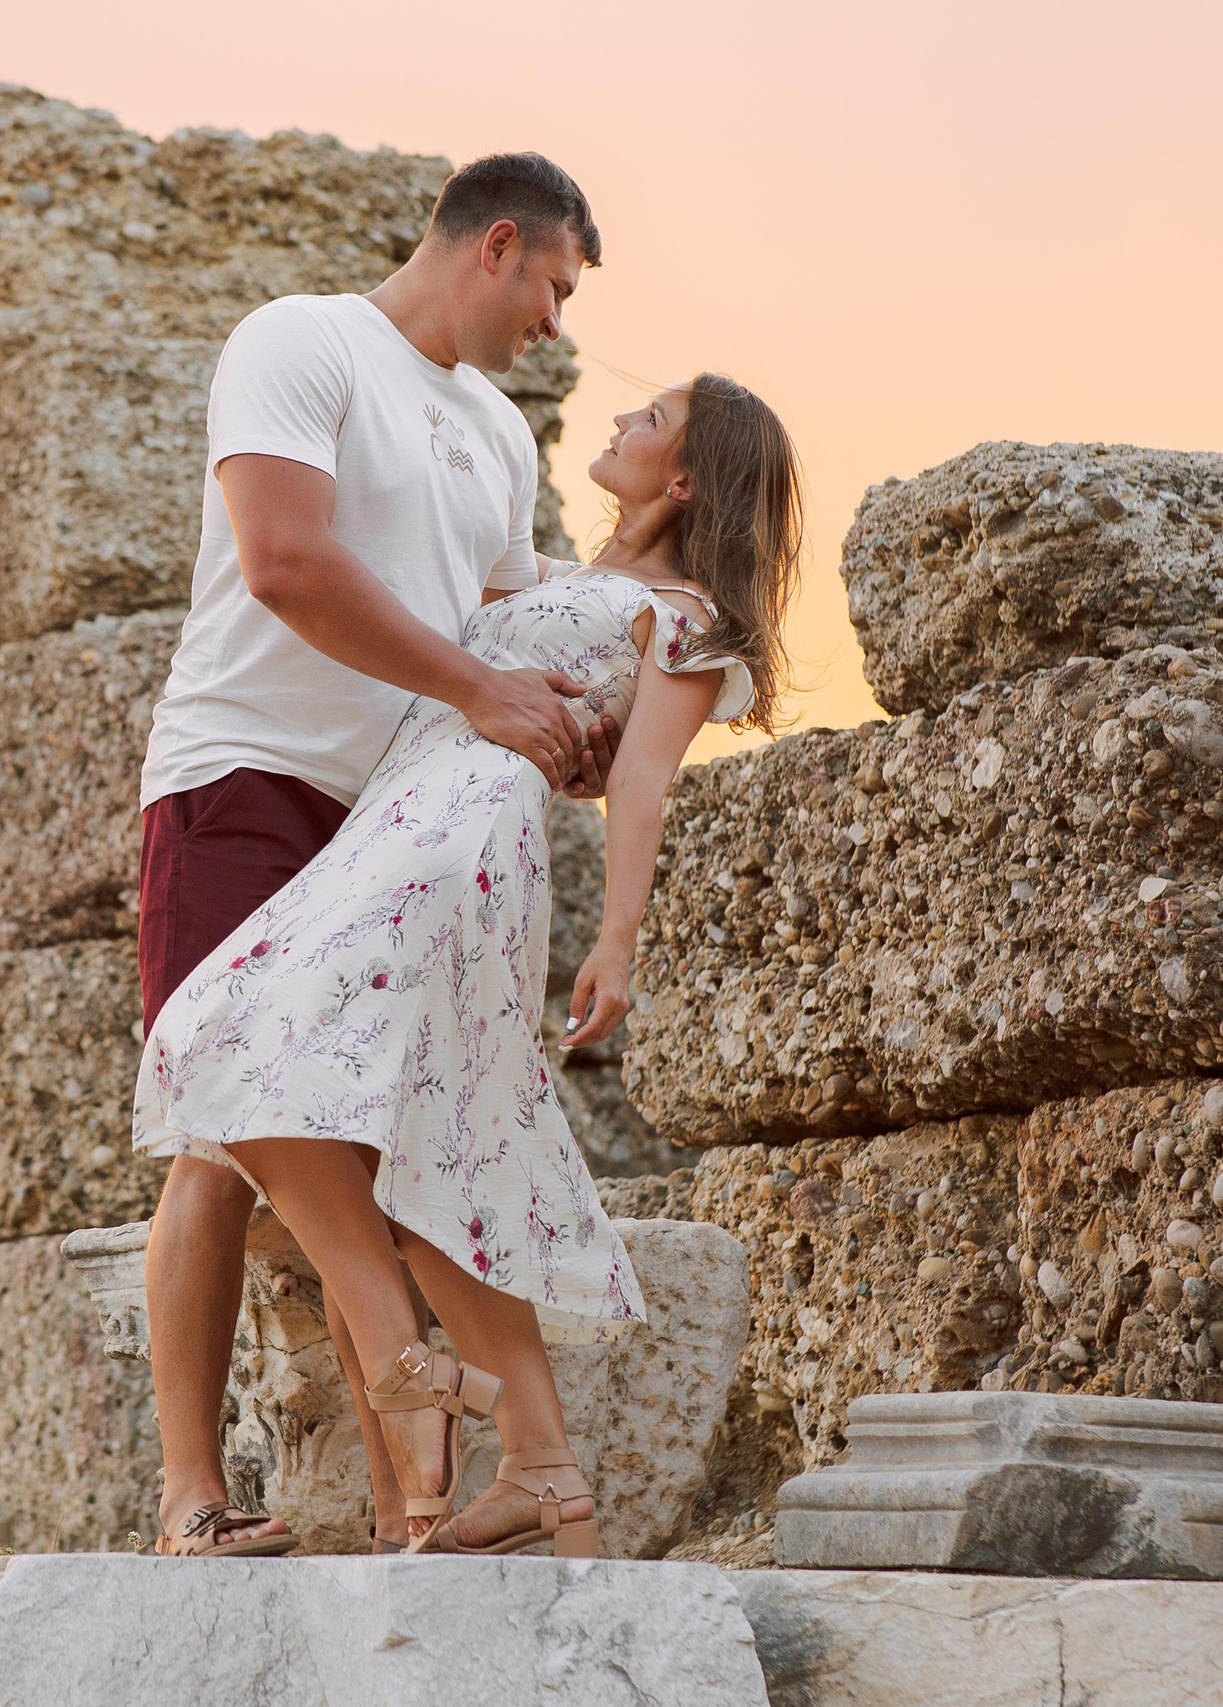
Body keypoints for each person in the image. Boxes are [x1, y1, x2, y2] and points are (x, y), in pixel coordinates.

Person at [136, 372, 802, 1553]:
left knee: (231, 1036)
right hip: (384, 825)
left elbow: (640, 780)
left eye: (647, 422)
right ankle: (521, 1476)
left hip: (455, 844)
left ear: (688, 478)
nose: (616, 424)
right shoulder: (548, 578)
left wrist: (616, 944)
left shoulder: (685, 615)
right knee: (392, 1114)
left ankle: (408, 1369)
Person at [133, 152, 619, 1558]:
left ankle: (423, 1518)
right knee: (223, 1131)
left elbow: (507, 629)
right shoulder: (300, 340)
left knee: (381, 1136)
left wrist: (576, 729)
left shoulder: (503, 437)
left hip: (391, 818)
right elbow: (282, 558)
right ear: (499, 245)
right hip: (241, 776)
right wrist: (479, 692)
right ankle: (190, 1495)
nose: (557, 326)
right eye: (555, 289)